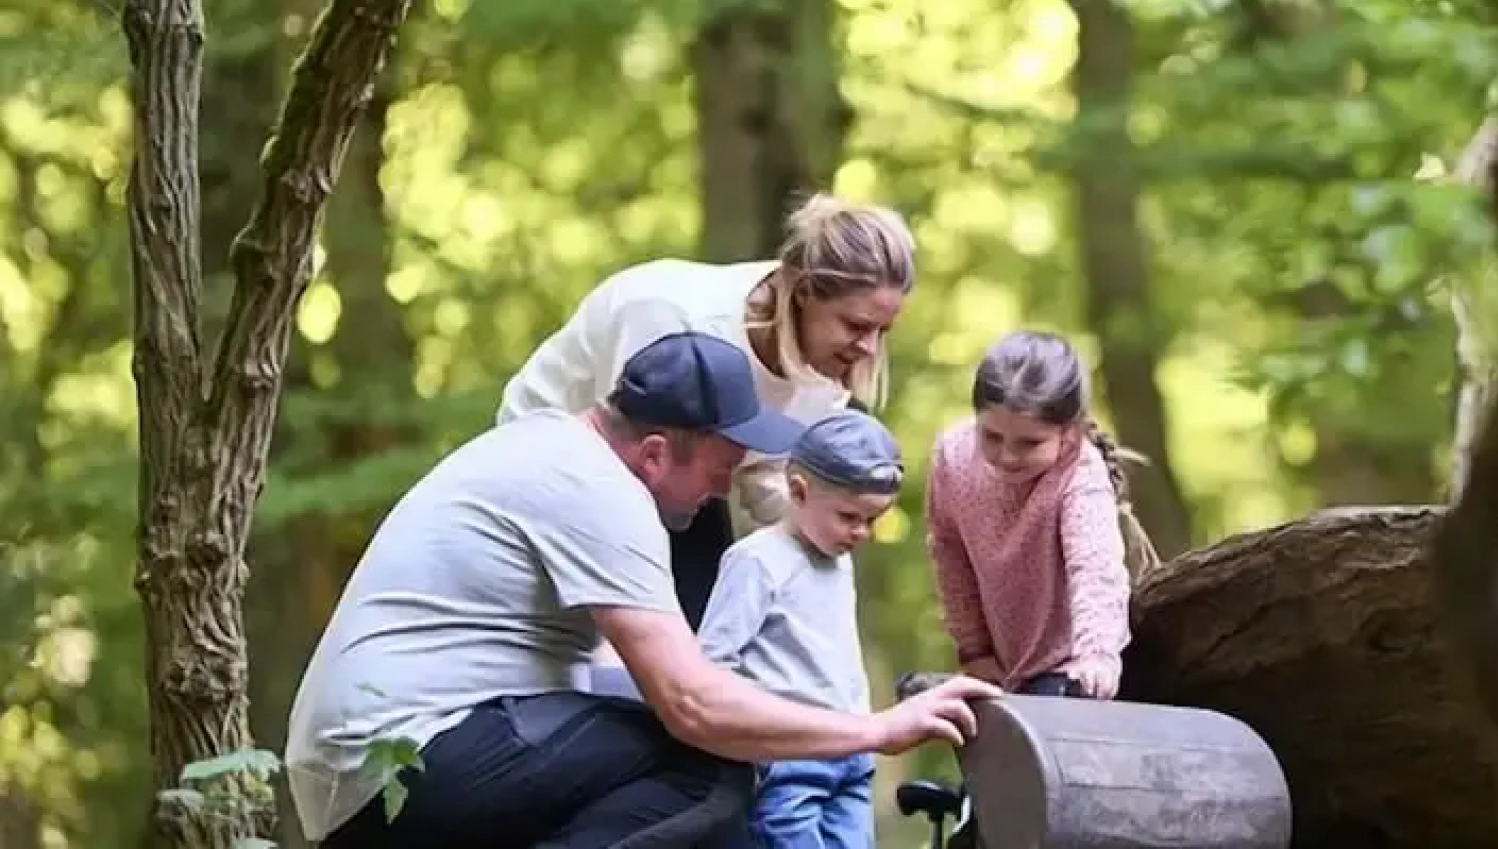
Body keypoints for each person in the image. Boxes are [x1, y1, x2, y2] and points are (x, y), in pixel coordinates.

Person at [286, 331, 998, 849]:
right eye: (720, 472)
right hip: (394, 767)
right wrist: (877, 728)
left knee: (697, 785)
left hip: (392, 764)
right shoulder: (599, 494)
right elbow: (690, 704)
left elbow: (612, 684)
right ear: (656, 453)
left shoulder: (558, 454)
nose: (725, 493)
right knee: (712, 767)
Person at [498, 193, 916, 630]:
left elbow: (767, 480)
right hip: (564, 468)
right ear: (805, 290)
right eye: (855, 326)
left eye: (882, 331)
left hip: (684, 478)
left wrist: (820, 532)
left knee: (711, 625)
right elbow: (628, 464)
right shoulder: (676, 321)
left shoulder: (829, 369)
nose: (868, 348)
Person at [585, 409, 904, 849]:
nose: (862, 532)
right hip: (792, 757)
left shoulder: (839, 561)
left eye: (873, 520)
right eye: (850, 517)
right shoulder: (756, 561)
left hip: (852, 751)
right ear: (799, 491)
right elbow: (715, 659)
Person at [923, 330, 1161, 702]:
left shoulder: (1079, 474)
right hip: (1002, 665)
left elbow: (1095, 571)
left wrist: (1096, 658)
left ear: (1070, 434)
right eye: (992, 436)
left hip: (1070, 666)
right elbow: (950, 555)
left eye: (1029, 443)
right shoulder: (953, 457)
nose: (1007, 455)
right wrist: (974, 650)